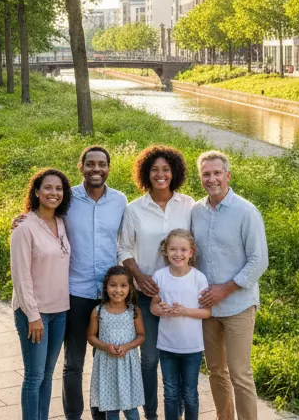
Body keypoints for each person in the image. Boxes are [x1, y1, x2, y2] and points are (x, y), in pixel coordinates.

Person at [118, 145, 195, 420]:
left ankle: (178, 412)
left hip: (181, 297)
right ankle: (150, 414)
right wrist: (139, 276)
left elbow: (195, 246)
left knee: (178, 358)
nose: (160, 174)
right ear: (145, 173)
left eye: (165, 169)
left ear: (174, 172)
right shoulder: (134, 209)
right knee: (149, 359)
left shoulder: (188, 205)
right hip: (147, 296)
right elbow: (124, 249)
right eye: (154, 170)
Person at [192, 151, 269, 420]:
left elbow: (259, 261)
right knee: (216, 371)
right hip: (207, 308)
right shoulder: (196, 212)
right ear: (200, 177)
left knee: (240, 373)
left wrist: (224, 289)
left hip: (238, 305)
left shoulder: (246, 211)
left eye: (216, 173)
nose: (211, 179)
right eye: (206, 174)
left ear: (228, 176)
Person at [64, 147, 129, 420]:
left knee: (103, 360)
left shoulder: (120, 200)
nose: (96, 169)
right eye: (90, 164)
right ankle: (73, 416)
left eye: (102, 164)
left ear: (109, 168)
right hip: (76, 291)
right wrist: (20, 219)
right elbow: (42, 217)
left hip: (108, 296)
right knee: (74, 363)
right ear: (81, 167)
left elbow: (126, 243)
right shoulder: (68, 199)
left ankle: (100, 414)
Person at [11, 168, 73, 420]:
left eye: (59, 189)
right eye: (48, 187)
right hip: (34, 313)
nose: (53, 193)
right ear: (36, 191)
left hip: (60, 311)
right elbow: (21, 276)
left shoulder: (61, 222)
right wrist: (33, 315)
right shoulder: (24, 227)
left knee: (48, 374)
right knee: (34, 375)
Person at [151, 229, 211, 420]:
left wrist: (185, 311)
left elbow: (206, 312)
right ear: (165, 252)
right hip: (167, 346)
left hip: (192, 348)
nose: (178, 254)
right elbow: (153, 306)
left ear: (191, 252)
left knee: (190, 394)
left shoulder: (198, 278)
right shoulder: (159, 276)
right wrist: (160, 309)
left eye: (183, 250)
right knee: (170, 393)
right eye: (173, 249)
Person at [88, 266, 146, 420]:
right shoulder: (98, 311)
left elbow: (141, 336)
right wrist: (106, 347)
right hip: (107, 366)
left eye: (123, 285)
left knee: (130, 408)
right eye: (113, 285)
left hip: (127, 366)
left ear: (130, 288)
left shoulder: (134, 311)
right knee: (111, 408)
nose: (118, 290)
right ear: (106, 287)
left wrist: (127, 347)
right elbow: (91, 337)